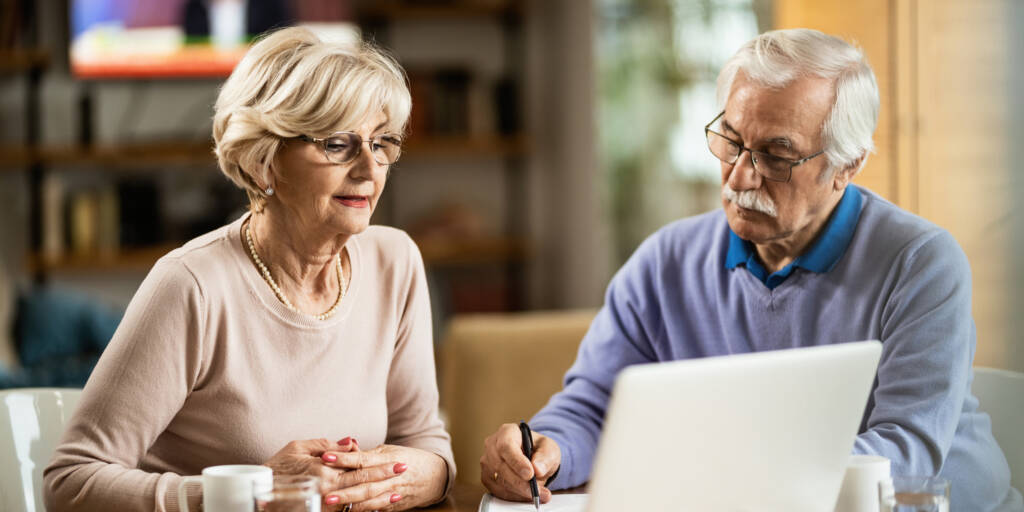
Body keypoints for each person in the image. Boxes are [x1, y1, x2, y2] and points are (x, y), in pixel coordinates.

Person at [480, 28, 1023, 512]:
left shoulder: (920, 263)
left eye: (776, 155)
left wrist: (732, 480)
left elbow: (905, 451)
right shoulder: (664, 261)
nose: (740, 177)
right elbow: (597, 406)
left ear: (847, 165)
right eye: (732, 141)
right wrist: (546, 449)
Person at [45, 27, 454, 512]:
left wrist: (433, 474)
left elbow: (423, 439)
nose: (370, 168)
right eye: (338, 144)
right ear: (265, 161)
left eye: (382, 142)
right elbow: (70, 483)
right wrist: (250, 491)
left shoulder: (396, 262)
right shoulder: (191, 286)